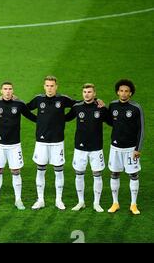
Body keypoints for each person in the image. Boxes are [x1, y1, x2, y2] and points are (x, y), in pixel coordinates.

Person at [0, 81, 37, 210]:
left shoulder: (19, 104)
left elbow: (32, 117)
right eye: (5, 89)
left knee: (16, 171)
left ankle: (18, 200)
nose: (8, 91)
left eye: (10, 89)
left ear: (13, 91)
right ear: (1, 91)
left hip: (14, 144)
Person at [27, 76, 78, 210]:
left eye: (52, 86)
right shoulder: (39, 99)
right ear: (44, 87)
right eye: (47, 86)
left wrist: (65, 118)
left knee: (58, 171)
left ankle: (58, 200)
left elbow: (79, 105)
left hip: (57, 142)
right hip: (41, 142)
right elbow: (25, 109)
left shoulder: (62, 99)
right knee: (40, 170)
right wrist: (37, 120)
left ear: (56, 87)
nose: (50, 88)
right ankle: (40, 200)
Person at [65, 83, 109, 212]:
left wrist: (104, 106)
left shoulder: (101, 108)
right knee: (79, 174)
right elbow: (66, 118)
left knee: (97, 174)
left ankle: (96, 203)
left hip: (96, 147)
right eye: (85, 92)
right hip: (80, 147)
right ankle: (81, 202)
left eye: (89, 92)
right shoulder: (77, 107)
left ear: (94, 94)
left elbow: (111, 121)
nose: (87, 94)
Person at [107, 79, 144, 215]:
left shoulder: (136, 108)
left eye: (126, 91)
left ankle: (133, 204)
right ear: (118, 92)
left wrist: (138, 148)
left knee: (133, 174)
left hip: (130, 149)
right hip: (115, 148)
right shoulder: (112, 105)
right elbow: (109, 121)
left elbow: (142, 129)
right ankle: (115, 203)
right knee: (114, 174)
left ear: (131, 93)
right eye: (121, 91)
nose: (123, 93)